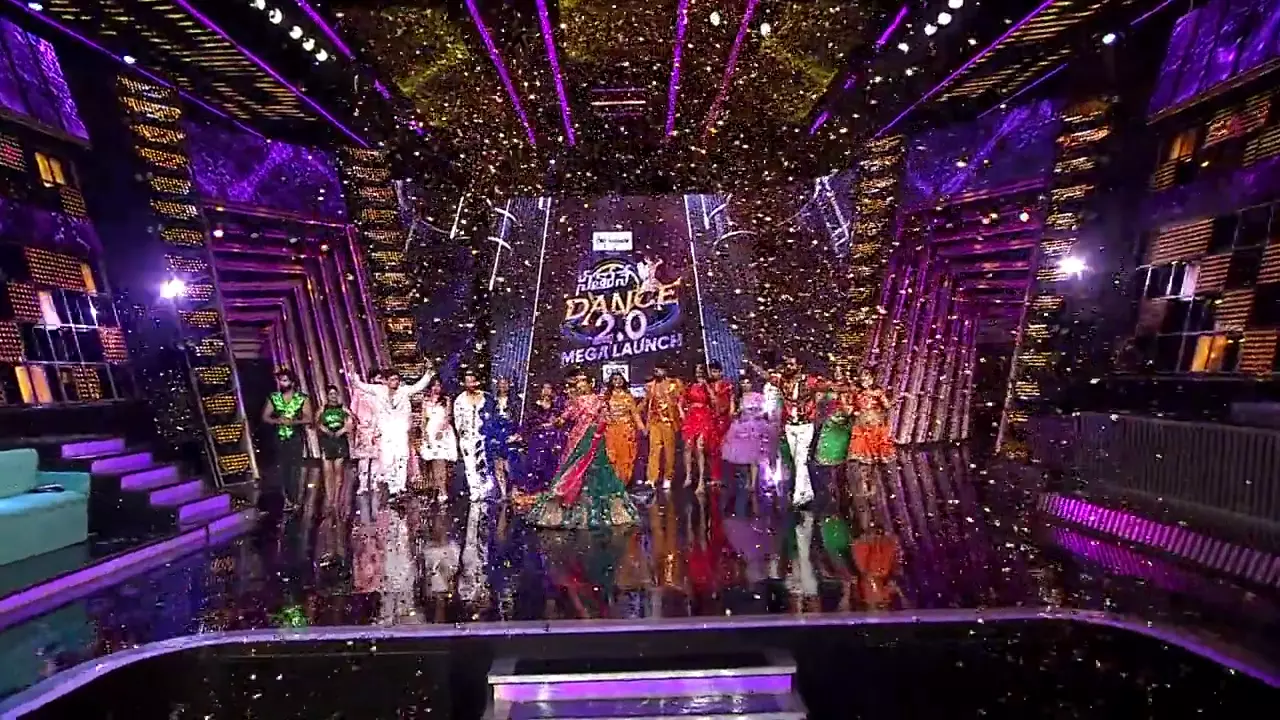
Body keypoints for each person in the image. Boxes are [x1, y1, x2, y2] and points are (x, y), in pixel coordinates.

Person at [526, 369, 638, 529]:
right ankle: (574, 508)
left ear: (591, 383)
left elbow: (605, 418)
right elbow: (565, 417)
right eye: (578, 382)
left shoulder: (599, 400)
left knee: (597, 471)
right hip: (579, 438)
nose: (579, 385)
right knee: (576, 468)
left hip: (595, 438)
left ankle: (599, 510)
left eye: (582, 381)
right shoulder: (576, 401)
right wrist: (553, 423)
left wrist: (602, 425)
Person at [349, 360, 436, 498]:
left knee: (402, 457)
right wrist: (353, 372)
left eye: (397, 379)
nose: (395, 382)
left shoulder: (404, 391)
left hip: (400, 430)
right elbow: (360, 385)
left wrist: (428, 373)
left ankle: (401, 486)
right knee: (388, 459)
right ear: (386, 381)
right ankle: (392, 487)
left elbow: (418, 386)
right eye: (392, 380)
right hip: (386, 431)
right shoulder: (378, 390)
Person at [261, 368, 312, 513]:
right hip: (279, 437)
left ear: (292, 382)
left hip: (296, 437)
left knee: (295, 469)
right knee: (282, 469)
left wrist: (294, 422)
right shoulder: (274, 397)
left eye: (284, 381)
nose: (281, 384)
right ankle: (286, 500)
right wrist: (277, 420)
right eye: (280, 381)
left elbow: (309, 418)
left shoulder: (302, 398)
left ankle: (295, 499)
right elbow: (265, 417)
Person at [720, 376, 776, 493]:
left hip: (757, 427)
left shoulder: (758, 397)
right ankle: (748, 480)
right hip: (742, 427)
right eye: (743, 383)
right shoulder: (738, 398)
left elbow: (766, 411)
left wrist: (758, 415)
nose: (745, 385)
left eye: (748, 382)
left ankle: (753, 483)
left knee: (755, 456)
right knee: (745, 457)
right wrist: (737, 412)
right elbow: (732, 414)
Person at [644, 363, 684, 489]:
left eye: (660, 369)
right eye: (656, 369)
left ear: (665, 371)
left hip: (668, 422)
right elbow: (647, 404)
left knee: (669, 451)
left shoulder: (673, 384)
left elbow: (680, 400)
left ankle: (668, 477)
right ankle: (652, 478)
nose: (657, 371)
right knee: (654, 449)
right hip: (655, 421)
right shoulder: (650, 386)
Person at [418, 376, 457, 504]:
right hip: (430, 431)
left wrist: (442, 431)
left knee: (440, 462)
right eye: (434, 385)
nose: (436, 388)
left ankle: (443, 490)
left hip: (442, 432)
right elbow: (423, 419)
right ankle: (434, 489)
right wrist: (424, 433)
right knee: (431, 463)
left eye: (438, 385)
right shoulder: (426, 401)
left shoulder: (446, 400)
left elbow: (448, 417)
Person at [454, 369, 491, 502]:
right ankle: (474, 490)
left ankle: (484, 489)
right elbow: (458, 420)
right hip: (467, 437)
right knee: (469, 464)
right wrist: (462, 435)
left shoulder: (486, 398)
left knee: (483, 462)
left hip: (483, 436)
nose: (471, 384)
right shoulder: (460, 400)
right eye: (468, 382)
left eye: (473, 381)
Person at [521, 382, 564, 495]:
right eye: (544, 388)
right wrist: (540, 426)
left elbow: (561, 423)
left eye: (549, 388)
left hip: (552, 440)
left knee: (550, 465)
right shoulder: (534, 407)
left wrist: (555, 424)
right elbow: (527, 424)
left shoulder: (557, 408)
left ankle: (546, 491)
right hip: (537, 439)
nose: (546, 391)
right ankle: (533, 491)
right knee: (535, 465)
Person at [602, 371, 645, 485]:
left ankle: (624, 480)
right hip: (612, 429)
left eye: (620, 379)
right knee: (612, 455)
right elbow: (603, 412)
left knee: (626, 455)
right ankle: (614, 481)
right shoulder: (607, 396)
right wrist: (606, 419)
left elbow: (634, 413)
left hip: (626, 428)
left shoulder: (628, 396)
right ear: (611, 382)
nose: (618, 381)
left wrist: (641, 427)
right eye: (615, 379)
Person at [483, 376, 522, 500]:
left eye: (506, 384)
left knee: (510, 466)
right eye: (501, 383)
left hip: (510, 435)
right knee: (497, 465)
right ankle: (503, 493)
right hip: (496, 435)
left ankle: (514, 490)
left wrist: (518, 434)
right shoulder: (492, 402)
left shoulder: (516, 402)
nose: (503, 386)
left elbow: (520, 419)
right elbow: (488, 418)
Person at [315, 385, 352, 512]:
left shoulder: (343, 409)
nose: (333, 396)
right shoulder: (322, 409)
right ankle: (329, 499)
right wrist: (323, 429)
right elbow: (316, 423)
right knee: (327, 473)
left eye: (335, 394)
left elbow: (352, 422)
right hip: (327, 442)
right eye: (331, 394)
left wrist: (344, 429)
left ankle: (336, 500)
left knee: (338, 471)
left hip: (340, 441)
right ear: (327, 396)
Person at [682, 364, 716, 494]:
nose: (698, 374)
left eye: (701, 372)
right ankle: (688, 476)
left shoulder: (708, 385)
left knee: (700, 447)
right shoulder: (689, 385)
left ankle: (701, 481)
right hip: (691, 417)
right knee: (687, 447)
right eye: (696, 372)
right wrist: (682, 413)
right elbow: (682, 400)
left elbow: (714, 400)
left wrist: (706, 385)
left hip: (704, 417)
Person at [349, 368, 383, 497]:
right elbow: (353, 410)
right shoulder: (360, 392)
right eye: (378, 378)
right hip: (364, 429)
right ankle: (362, 484)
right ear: (371, 379)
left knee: (376, 458)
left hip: (378, 429)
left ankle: (374, 483)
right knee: (363, 459)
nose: (380, 381)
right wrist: (358, 423)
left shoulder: (383, 393)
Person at [849, 370, 895, 464]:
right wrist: (855, 410)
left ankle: (880, 455)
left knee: (877, 436)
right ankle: (867, 456)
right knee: (864, 438)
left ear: (873, 379)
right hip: (862, 419)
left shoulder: (877, 392)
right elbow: (852, 404)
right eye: (863, 380)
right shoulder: (857, 392)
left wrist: (891, 400)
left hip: (875, 418)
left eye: (868, 379)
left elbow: (886, 405)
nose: (865, 382)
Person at [814, 367, 852, 467]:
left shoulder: (850, 388)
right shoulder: (827, 387)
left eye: (840, 371)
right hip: (830, 420)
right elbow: (819, 402)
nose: (838, 374)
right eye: (836, 371)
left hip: (843, 421)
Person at [706, 361, 735, 485]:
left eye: (715, 371)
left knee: (726, 447)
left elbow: (732, 400)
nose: (713, 374)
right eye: (711, 371)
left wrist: (731, 414)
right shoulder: (708, 386)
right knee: (713, 448)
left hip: (725, 419)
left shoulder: (727, 385)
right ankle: (715, 477)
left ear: (721, 372)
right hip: (712, 419)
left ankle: (728, 477)